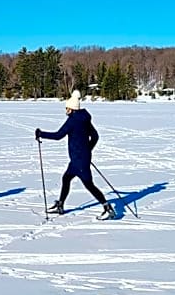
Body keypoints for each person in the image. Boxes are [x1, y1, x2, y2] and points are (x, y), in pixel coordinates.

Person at [35, 90, 116, 220]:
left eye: (67, 108)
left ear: (72, 109)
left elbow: (58, 136)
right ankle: (60, 205)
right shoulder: (84, 119)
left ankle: (108, 208)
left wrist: (41, 133)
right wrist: (88, 149)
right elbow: (95, 136)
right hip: (78, 159)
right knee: (66, 179)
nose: (65, 110)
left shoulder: (72, 121)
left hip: (79, 161)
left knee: (89, 185)